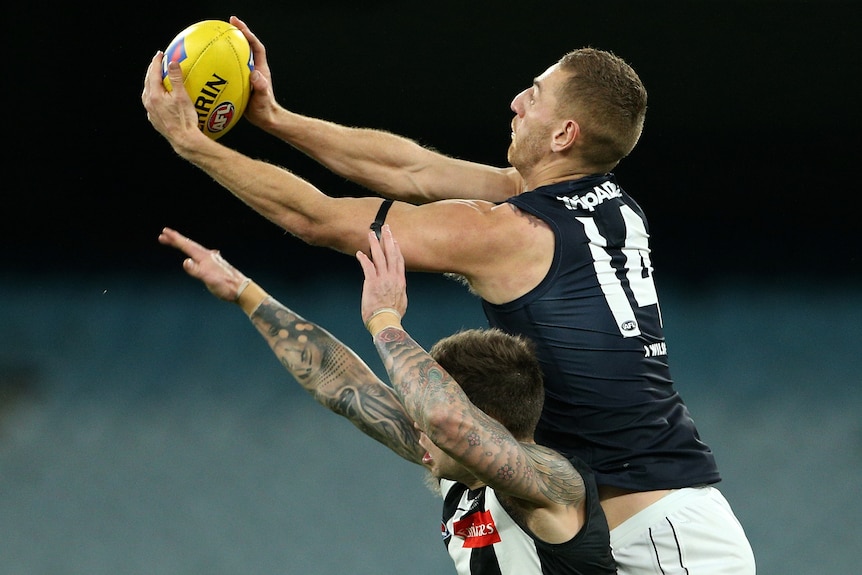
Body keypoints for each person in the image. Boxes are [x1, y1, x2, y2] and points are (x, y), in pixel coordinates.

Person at [143, 16, 755, 573]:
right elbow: (414, 169)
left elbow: (319, 219)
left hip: (654, 542)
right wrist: (275, 119)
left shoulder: (512, 233)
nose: (516, 101)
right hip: (658, 515)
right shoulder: (608, 206)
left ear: (566, 134)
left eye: (535, 93)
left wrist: (193, 145)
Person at [159, 224, 617, 575]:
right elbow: (343, 385)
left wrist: (384, 319)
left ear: (485, 420)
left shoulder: (553, 484)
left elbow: (444, 421)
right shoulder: (461, 476)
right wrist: (244, 292)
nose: (415, 426)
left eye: (423, 417)